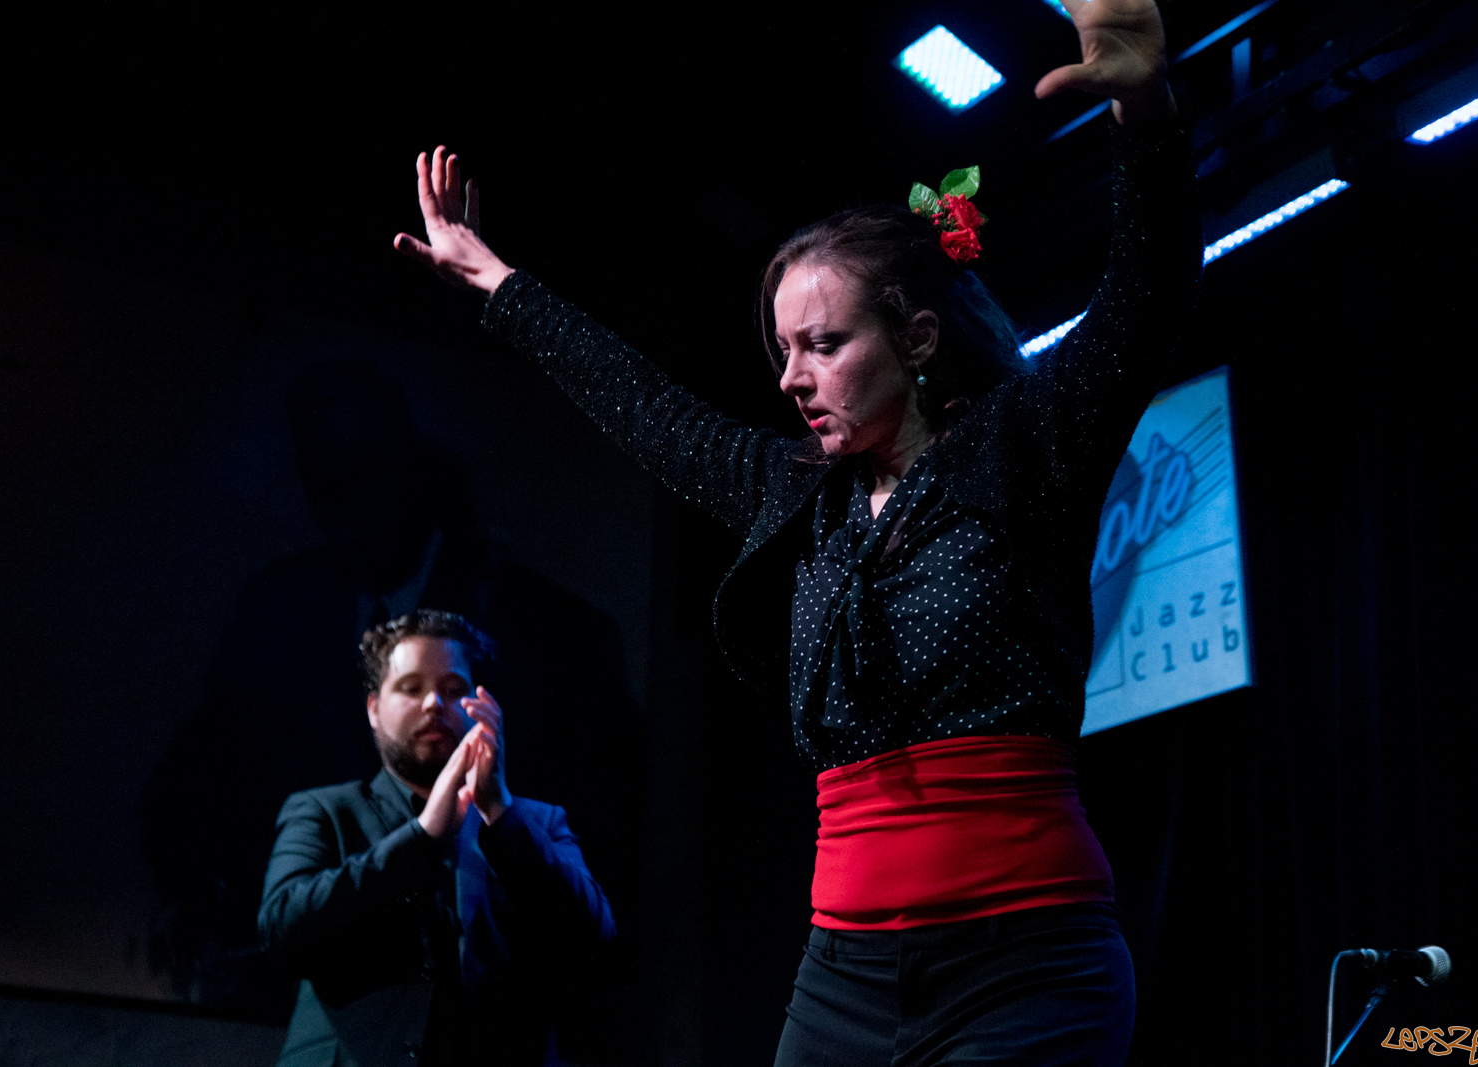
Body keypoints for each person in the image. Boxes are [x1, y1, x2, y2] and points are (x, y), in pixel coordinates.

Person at [393, 0, 1198, 1061]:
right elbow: (645, 405)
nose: (790, 378)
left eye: (822, 343)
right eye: (782, 348)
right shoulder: (797, 491)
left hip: (1024, 958)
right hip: (845, 969)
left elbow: (1142, 296)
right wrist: (494, 281)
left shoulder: (1024, 447)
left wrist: (1145, 109)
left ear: (914, 336)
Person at [137, 362, 639, 1022]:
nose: (347, 503)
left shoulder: (550, 633)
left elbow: (603, 897)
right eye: (324, 477)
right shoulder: (283, 610)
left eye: (367, 471)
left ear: (410, 468)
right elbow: (196, 791)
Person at [258, 609, 615, 1067]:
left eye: (454, 690)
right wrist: (423, 838)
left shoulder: (536, 823)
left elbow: (593, 939)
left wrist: (500, 812)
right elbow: (282, 929)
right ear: (373, 708)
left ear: (485, 707)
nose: (433, 704)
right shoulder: (324, 811)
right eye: (411, 688)